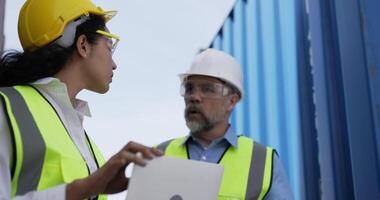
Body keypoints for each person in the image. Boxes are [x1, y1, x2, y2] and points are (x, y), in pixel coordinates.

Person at [0, 0, 162, 199]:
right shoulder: (6, 108)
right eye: (109, 47)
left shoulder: (92, 152)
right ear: (83, 45)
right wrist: (84, 188)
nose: (114, 64)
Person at [157, 48, 294, 200]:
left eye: (207, 89)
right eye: (189, 88)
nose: (194, 97)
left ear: (232, 101)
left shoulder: (263, 161)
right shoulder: (158, 155)